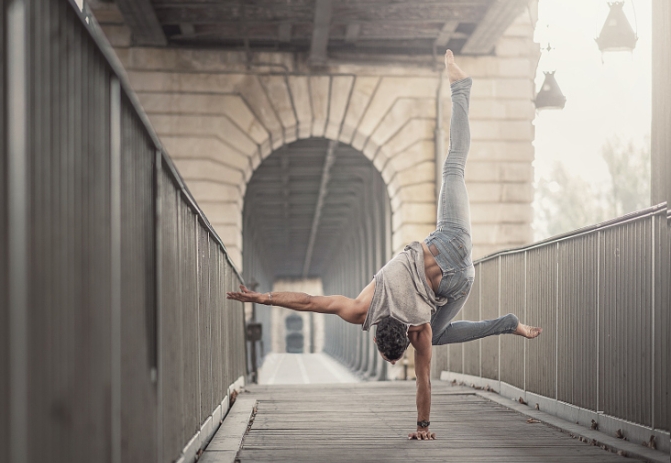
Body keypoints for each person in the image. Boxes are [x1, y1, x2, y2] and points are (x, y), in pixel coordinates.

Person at [226, 50, 542, 441]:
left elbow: (423, 382)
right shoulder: (363, 308)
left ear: (398, 339)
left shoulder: (421, 332)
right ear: (377, 334)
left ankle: (508, 325)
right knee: (454, 164)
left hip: (460, 277)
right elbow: (310, 301)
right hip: (447, 242)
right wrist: (262, 298)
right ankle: (461, 88)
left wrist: (423, 428)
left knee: (442, 335)